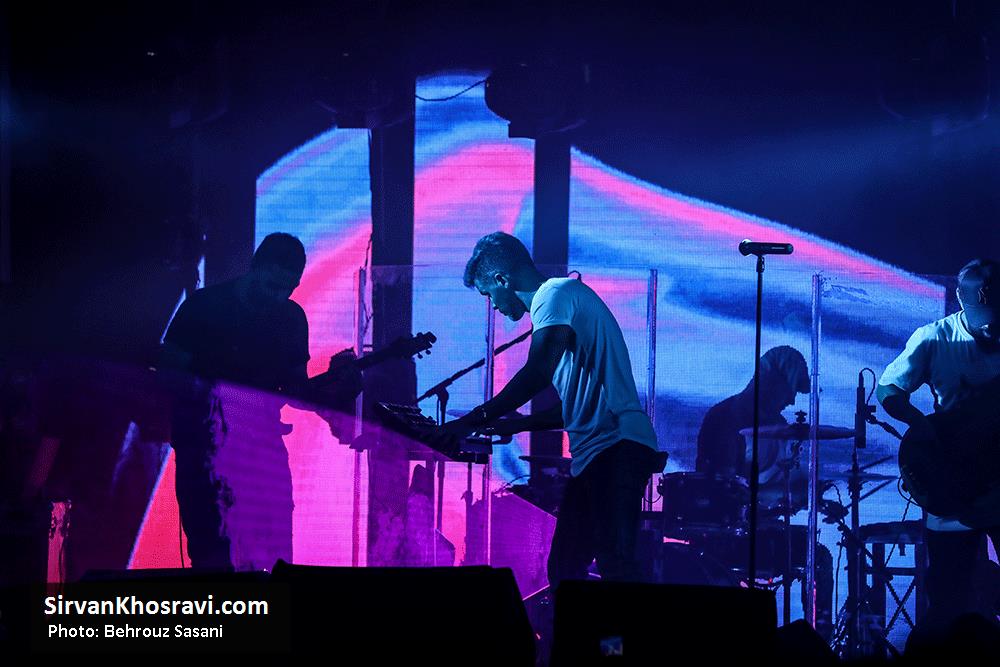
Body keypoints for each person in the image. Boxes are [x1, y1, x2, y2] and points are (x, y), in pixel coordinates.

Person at [435, 231, 667, 586]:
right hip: (599, 454)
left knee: (616, 568)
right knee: (565, 570)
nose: (493, 306)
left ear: (502, 280)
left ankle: (634, 628)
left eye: (489, 294)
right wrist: (517, 425)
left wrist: (472, 419)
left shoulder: (553, 294)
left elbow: (538, 370)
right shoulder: (560, 302)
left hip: (616, 447)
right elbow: (573, 406)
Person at [159, 232, 360, 570]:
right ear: (255, 267)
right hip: (205, 451)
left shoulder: (291, 318)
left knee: (275, 556)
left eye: (288, 290)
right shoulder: (204, 307)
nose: (278, 297)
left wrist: (332, 386)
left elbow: (295, 391)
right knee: (212, 556)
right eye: (272, 287)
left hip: (261, 454)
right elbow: (168, 375)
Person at [878, 258, 1000, 625]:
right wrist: (919, 425)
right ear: (963, 301)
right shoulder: (934, 338)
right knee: (949, 596)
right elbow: (889, 388)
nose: (992, 329)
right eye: (985, 321)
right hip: (954, 481)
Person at [695, 345, 833, 638]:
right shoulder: (725, 418)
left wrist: (811, 493)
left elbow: (788, 484)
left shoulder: (779, 426)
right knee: (817, 558)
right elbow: (724, 492)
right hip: (730, 536)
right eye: (791, 390)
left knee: (818, 556)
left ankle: (820, 640)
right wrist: (778, 498)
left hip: (764, 528)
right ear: (772, 382)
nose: (792, 400)